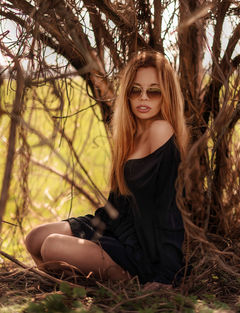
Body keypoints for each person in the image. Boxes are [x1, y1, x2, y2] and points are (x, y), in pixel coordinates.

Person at [25, 50, 189, 291]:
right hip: (116, 229)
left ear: (166, 95)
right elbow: (118, 203)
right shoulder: (131, 134)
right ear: (128, 95)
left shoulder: (161, 131)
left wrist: (167, 275)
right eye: (136, 90)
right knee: (34, 239)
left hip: (142, 251)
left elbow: (170, 207)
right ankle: (69, 287)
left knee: (52, 247)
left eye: (153, 91)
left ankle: (125, 284)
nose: (144, 98)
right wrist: (90, 230)